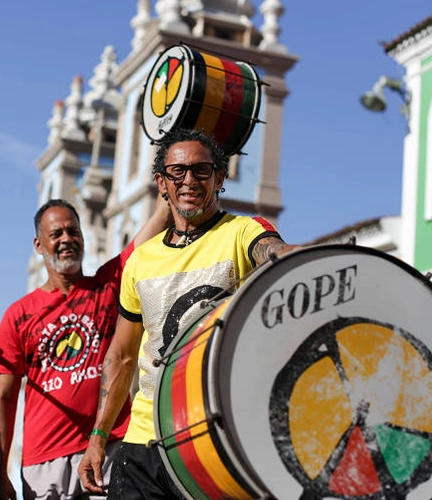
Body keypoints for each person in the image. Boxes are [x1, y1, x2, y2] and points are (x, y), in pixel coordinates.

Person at [78, 128, 301, 499]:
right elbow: (122, 357)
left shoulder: (242, 231)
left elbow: (271, 249)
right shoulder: (141, 260)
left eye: (201, 170)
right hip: (142, 446)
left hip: (214, 441)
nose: (189, 181)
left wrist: (296, 257)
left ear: (220, 177)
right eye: (177, 172)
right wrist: (98, 436)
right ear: (161, 183)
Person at [0, 196, 171, 500]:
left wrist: (167, 175)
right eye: (56, 234)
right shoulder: (18, 314)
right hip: (43, 461)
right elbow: (5, 398)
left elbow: (158, 222)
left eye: (73, 231)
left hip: (109, 447)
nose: (67, 240)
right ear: (38, 245)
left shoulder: (107, 285)